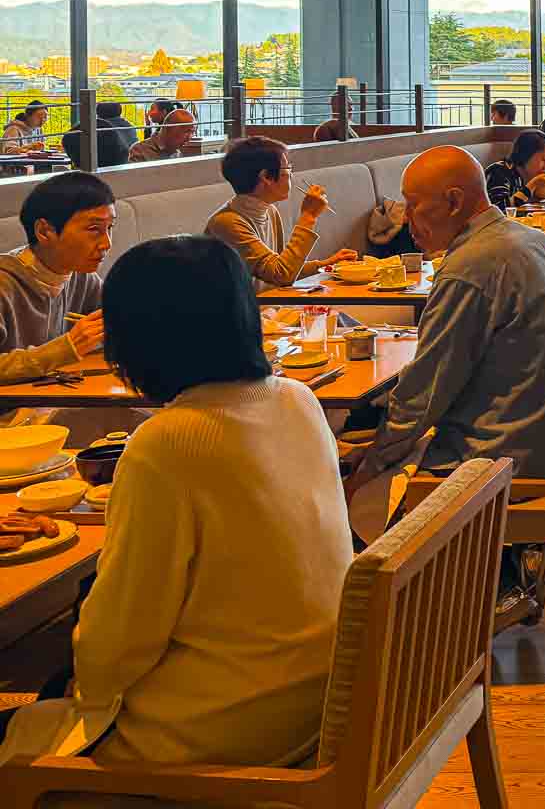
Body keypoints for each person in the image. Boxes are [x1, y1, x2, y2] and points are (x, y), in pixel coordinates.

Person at [0, 235, 352, 769]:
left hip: (212, 732)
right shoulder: (297, 399)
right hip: (311, 704)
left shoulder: (168, 442)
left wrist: (79, 679)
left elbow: (116, 646)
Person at [354, 145, 545, 479]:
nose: (406, 219)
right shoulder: (532, 239)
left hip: (494, 465)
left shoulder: (471, 266)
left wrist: (368, 468)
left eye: (414, 204)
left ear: (455, 201)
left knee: (346, 502)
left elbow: (424, 394)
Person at [0, 172, 111, 384]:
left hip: (58, 401)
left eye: (109, 228)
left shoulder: (83, 277)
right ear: (44, 231)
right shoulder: (5, 283)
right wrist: (67, 347)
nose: (106, 243)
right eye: (94, 229)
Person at [206, 137, 358, 290]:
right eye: (287, 169)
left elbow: (281, 266)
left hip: (270, 305)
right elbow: (281, 275)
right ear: (266, 177)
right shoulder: (227, 223)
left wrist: (327, 264)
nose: (291, 176)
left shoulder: (269, 211)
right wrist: (308, 216)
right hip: (240, 312)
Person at [485, 129, 545, 210]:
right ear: (526, 155)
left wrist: (538, 196)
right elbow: (499, 209)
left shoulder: (523, 176)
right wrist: (532, 185)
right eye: (544, 160)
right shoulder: (498, 171)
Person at [127, 107, 195, 162]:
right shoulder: (140, 151)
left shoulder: (177, 152)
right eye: (186, 131)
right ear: (168, 128)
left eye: (192, 132)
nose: (189, 137)